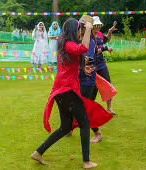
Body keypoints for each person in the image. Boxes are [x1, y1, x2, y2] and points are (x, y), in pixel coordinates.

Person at [31, 18, 113, 169]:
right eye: (77, 28)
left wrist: (84, 69)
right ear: (71, 30)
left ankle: (38, 152)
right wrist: (88, 29)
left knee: (66, 127)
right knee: (85, 122)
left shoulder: (66, 45)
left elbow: (71, 64)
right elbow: (83, 49)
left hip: (63, 90)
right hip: (66, 90)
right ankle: (87, 162)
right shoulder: (68, 44)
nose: (78, 30)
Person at [78, 16, 103, 144]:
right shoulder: (80, 40)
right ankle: (68, 128)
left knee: (85, 108)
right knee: (76, 105)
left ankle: (97, 133)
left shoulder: (90, 42)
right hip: (79, 78)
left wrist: (79, 64)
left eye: (81, 26)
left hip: (87, 80)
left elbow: (88, 60)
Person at [92, 16, 117, 115]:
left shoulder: (100, 35)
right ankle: (90, 107)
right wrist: (106, 49)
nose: (98, 27)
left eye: (99, 25)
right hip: (92, 65)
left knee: (107, 84)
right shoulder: (89, 37)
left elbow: (107, 39)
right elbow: (95, 51)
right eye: (96, 25)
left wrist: (110, 31)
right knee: (92, 88)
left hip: (101, 64)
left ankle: (109, 108)